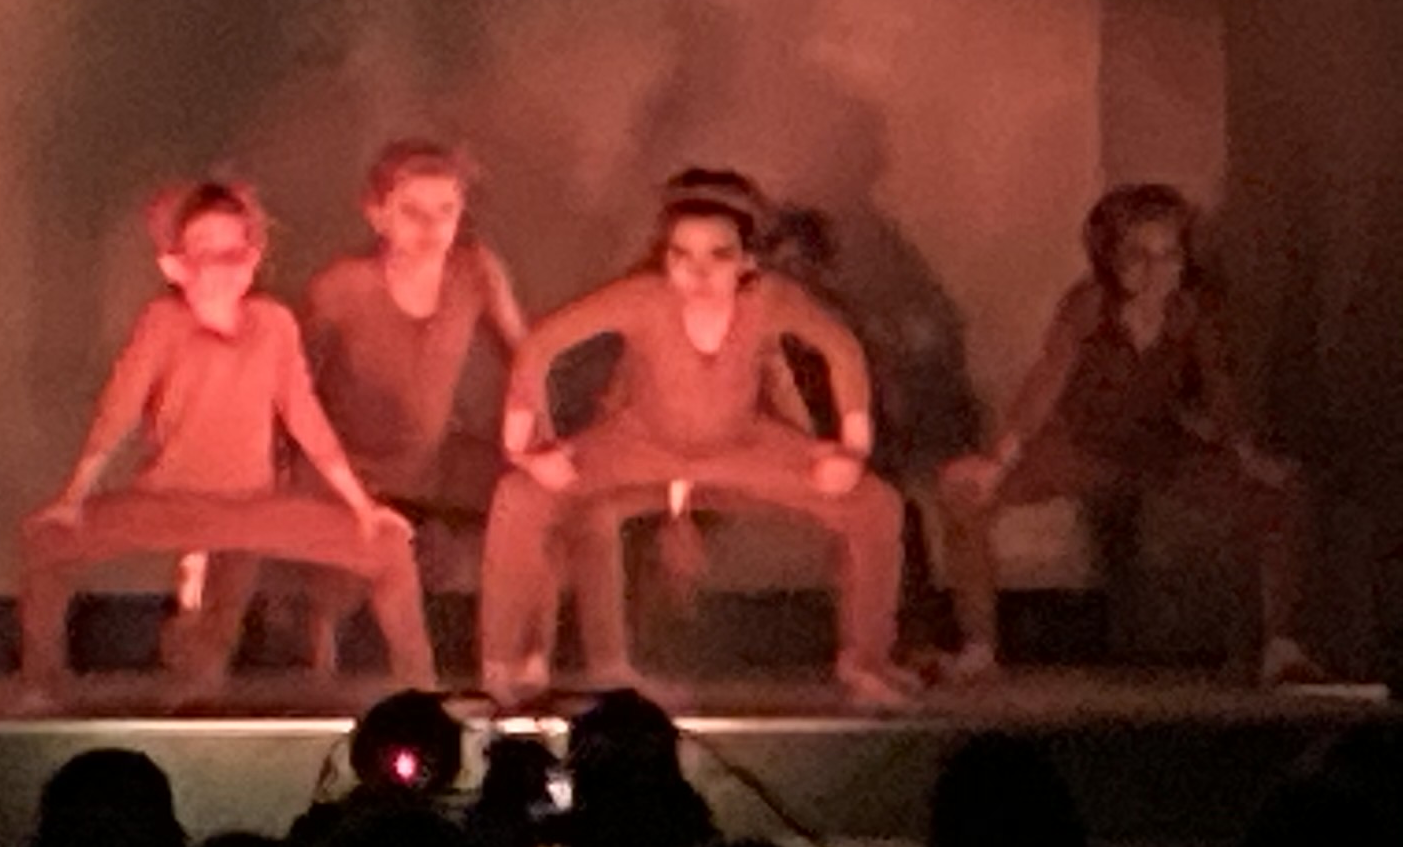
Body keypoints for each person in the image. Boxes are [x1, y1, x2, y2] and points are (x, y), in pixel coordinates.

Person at [478, 168, 909, 708]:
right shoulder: (641, 299)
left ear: (747, 261)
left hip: (740, 446)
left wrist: (852, 446)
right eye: (682, 256)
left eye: (718, 256)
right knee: (519, 496)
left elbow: (838, 346)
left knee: (875, 505)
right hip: (641, 444)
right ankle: (502, 662)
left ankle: (866, 660)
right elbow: (542, 344)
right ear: (666, 259)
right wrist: (523, 447)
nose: (698, 272)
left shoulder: (769, 301)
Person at [19, 179, 430, 699]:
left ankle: (423, 694)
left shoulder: (273, 324)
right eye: (206, 254)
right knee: (45, 544)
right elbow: (117, 411)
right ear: (175, 266)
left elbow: (305, 418)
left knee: (388, 547)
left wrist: (362, 506)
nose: (221, 268)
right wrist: (73, 496)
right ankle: (42, 689)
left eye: (234, 253)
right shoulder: (162, 323)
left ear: (253, 259)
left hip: (253, 505)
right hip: (167, 503)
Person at [934, 185, 1313, 682]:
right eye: (1139, 256)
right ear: (1110, 257)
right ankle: (980, 648)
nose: (1156, 271)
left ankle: (1280, 648)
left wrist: (1247, 457)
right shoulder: (1089, 305)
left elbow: (1221, 394)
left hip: (1159, 447)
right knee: (963, 492)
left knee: (1281, 495)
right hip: (1080, 445)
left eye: (1169, 255)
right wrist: (999, 462)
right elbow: (1044, 386)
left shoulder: (1193, 310)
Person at [285, 136, 619, 674]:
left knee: (546, 508)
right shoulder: (343, 286)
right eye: (412, 213)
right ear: (377, 214)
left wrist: (539, 445)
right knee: (345, 578)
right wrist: (294, 466)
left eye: (445, 211)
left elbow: (525, 358)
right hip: (351, 465)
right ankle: (320, 655)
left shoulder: (475, 271)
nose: (431, 228)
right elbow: (288, 382)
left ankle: (526, 660)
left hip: (432, 458)